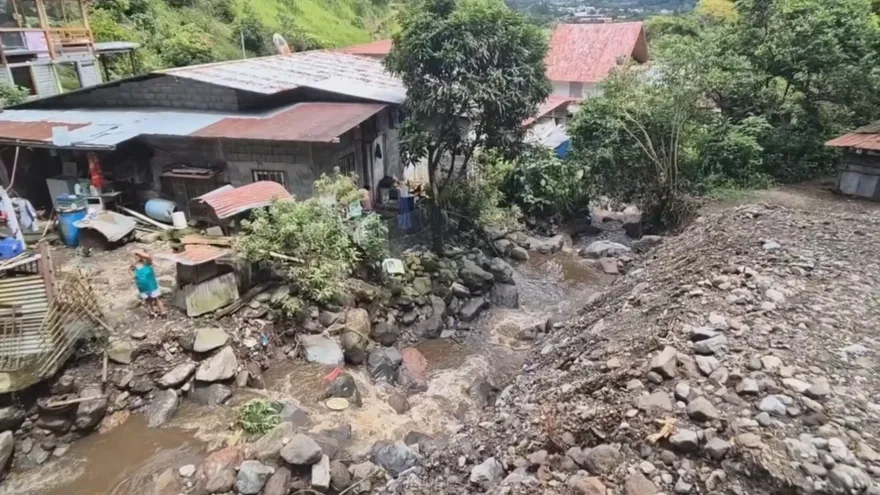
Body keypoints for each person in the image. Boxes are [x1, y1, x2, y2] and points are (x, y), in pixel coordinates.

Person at [130, 249, 166, 317]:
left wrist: (142, 253)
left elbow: (149, 258)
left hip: (151, 285)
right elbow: (130, 270)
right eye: (136, 255)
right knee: (147, 300)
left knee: (156, 299)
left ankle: (163, 312)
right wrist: (134, 276)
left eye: (138, 255)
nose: (137, 256)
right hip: (142, 286)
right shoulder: (135, 264)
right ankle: (151, 313)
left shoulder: (147, 262)